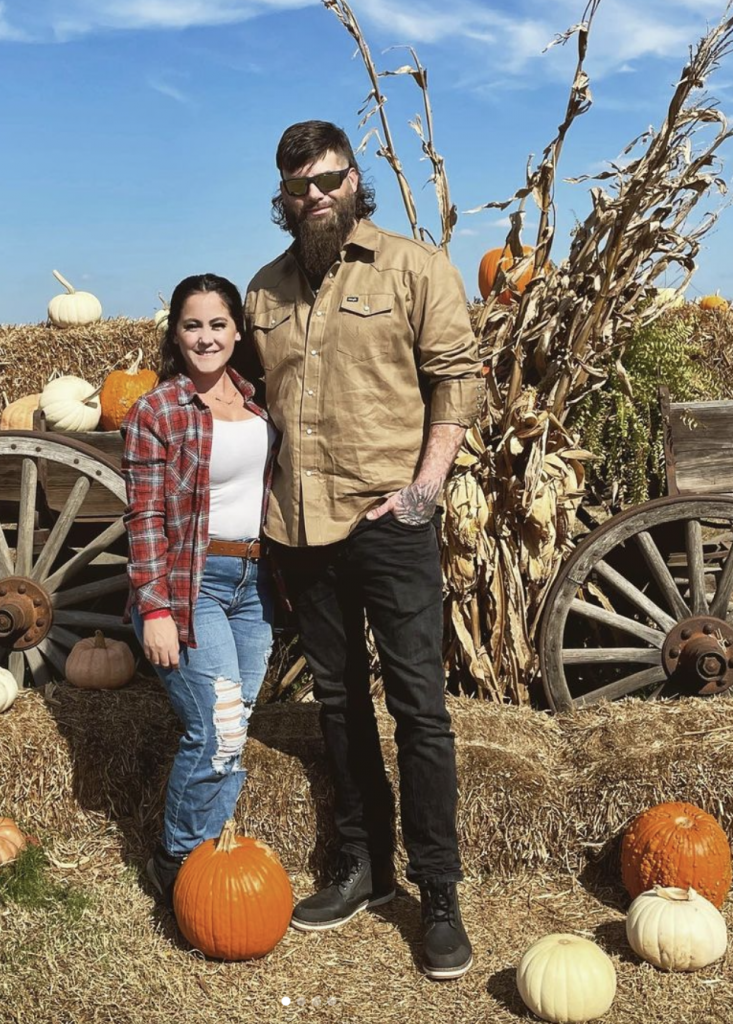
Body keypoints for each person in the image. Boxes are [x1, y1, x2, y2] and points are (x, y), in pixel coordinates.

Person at [244, 121, 483, 980]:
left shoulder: (415, 268)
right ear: (282, 194)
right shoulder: (262, 290)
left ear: (355, 181)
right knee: (339, 704)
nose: (313, 196)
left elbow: (458, 377)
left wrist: (422, 492)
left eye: (328, 180)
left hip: (390, 523)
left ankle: (441, 893)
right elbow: (241, 393)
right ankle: (363, 866)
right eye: (298, 185)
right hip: (299, 527)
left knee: (420, 708)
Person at [121, 273, 276, 907]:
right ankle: (179, 863)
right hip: (193, 584)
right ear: (176, 334)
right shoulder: (156, 411)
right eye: (192, 325)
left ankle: (217, 856)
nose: (206, 337)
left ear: (237, 331)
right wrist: (155, 606)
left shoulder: (262, 404)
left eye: (217, 324)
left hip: (256, 582)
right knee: (213, 728)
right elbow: (146, 517)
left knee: (234, 725)